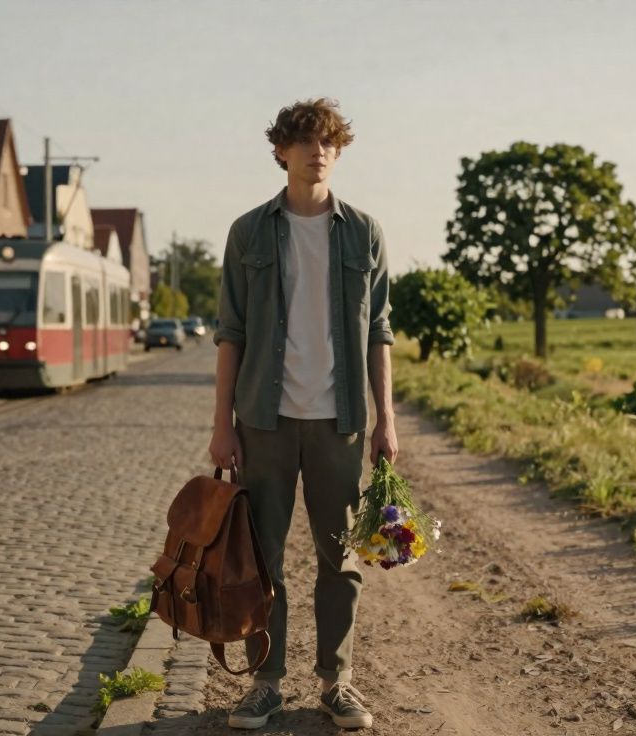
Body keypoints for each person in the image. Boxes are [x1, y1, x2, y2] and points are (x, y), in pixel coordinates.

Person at [208, 99, 396, 731]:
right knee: (263, 558)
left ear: (338, 152)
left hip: (339, 420)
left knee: (338, 555)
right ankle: (265, 682)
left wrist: (386, 419)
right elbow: (230, 332)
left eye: (328, 142)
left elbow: (379, 333)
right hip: (263, 417)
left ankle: (335, 681)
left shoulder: (365, 232)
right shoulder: (249, 232)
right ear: (282, 151)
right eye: (305, 141)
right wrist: (221, 423)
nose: (318, 150)